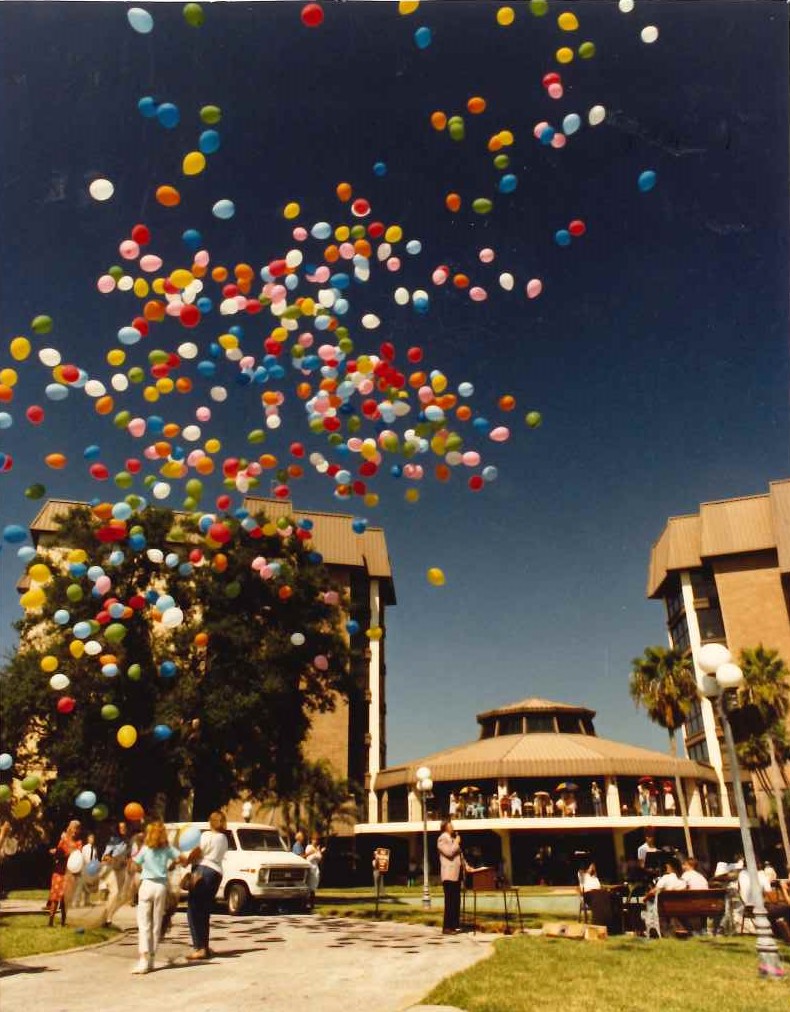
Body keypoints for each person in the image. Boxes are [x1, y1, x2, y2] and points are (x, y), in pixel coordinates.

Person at [130, 820, 183, 974]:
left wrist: (143, 867)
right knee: (156, 923)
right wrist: (171, 865)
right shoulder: (167, 848)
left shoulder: (146, 848)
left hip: (147, 884)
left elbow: (135, 864)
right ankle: (152, 957)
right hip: (161, 886)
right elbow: (180, 858)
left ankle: (143, 959)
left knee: (144, 923)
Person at [186, 810, 229, 960]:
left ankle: (199, 947)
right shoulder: (224, 838)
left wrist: (186, 860)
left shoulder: (206, 835)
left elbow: (198, 851)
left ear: (210, 822)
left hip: (203, 870)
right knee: (204, 911)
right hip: (216, 873)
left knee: (193, 910)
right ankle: (204, 945)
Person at [737, 861, 790, 943]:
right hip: (760, 908)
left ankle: (779, 934)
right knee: (786, 908)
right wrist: (782, 888)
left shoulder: (741, 874)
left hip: (747, 908)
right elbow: (769, 893)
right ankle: (787, 936)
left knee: (775, 910)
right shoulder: (760, 874)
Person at [47, 820, 82, 927]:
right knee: (55, 897)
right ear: (70, 829)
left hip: (69, 874)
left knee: (65, 899)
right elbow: (58, 854)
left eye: (77, 828)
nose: (75, 830)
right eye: (74, 828)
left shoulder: (79, 843)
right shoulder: (63, 839)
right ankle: (50, 921)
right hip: (59, 872)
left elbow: (77, 858)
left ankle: (63, 922)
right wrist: (55, 852)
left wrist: (66, 853)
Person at [437, 820, 463, 934]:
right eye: (450, 825)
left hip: (456, 874)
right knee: (450, 901)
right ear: (445, 827)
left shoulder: (452, 839)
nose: (452, 827)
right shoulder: (443, 838)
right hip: (449, 874)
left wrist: (467, 866)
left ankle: (454, 925)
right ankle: (447, 927)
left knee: (456, 901)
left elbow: (459, 855)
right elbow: (449, 852)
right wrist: (457, 842)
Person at [101, 820, 129, 927]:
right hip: (112, 869)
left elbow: (128, 856)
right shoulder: (114, 840)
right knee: (115, 892)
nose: (123, 829)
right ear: (118, 829)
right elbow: (105, 855)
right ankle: (107, 919)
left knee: (117, 896)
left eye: (124, 827)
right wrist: (111, 859)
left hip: (122, 869)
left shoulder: (127, 841)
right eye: (121, 827)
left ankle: (108, 916)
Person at [304, 832, 325, 910]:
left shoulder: (317, 848)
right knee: (309, 886)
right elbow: (309, 858)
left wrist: (319, 852)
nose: (315, 841)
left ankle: (312, 903)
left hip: (315, 868)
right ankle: (307, 903)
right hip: (310, 867)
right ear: (311, 840)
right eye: (314, 840)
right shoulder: (309, 847)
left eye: (316, 840)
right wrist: (316, 852)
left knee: (314, 887)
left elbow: (319, 858)